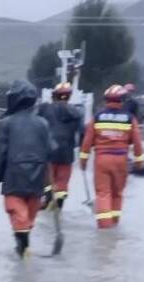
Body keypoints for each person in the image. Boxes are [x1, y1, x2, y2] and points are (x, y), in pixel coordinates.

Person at [0, 80, 53, 258]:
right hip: (37, 179)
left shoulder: (5, 124)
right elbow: (50, 152)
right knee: (28, 218)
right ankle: (24, 249)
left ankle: (23, 250)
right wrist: (48, 185)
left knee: (18, 214)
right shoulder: (43, 124)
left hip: (14, 178)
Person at [79, 84, 144, 229]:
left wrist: (83, 160)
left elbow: (87, 142)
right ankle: (114, 225)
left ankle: (104, 230)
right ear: (122, 100)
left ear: (106, 100)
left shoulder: (97, 118)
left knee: (103, 193)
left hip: (102, 160)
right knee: (117, 193)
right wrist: (139, 161)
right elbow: (138, 142)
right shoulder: (130, 119)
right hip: (121, 161)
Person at [37, 82, 84, 210]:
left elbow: (36, 126)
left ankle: (47, 201)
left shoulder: (44, 109)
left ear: (54, 95)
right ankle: (59, 204)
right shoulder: (76, 112)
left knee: (47, 179)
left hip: (48, 151)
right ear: (69, 96)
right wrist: (82, 150)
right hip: (66, 152)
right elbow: (82, 132)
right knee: (62, 180)